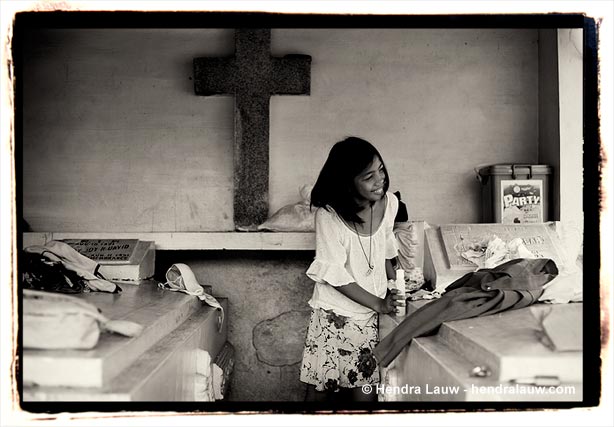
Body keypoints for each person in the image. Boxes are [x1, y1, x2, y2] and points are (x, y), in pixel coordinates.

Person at [300, 136, 404, 402]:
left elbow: (385, 250)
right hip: (334, 315)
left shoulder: (389, 203)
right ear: (348, 182)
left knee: (365, 393)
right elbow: (336, 276)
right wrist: (379, 304)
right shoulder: (328, 215)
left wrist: (399, 286)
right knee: (320, 392)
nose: (380, 180)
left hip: (370, 317)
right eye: (369, 176)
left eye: (381, 170)